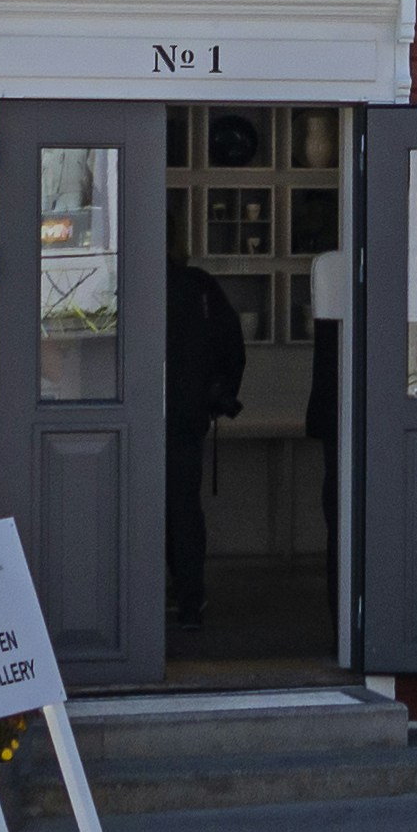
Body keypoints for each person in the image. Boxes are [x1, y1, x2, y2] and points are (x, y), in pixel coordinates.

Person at [164, 257, 247, 624]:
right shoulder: (197, 285)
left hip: (139, 411)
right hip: (187, 413)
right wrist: (218, 396)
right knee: (183, 507)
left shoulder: (127, 280)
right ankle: (189, 600)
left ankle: (140, 602)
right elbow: (232, 345)